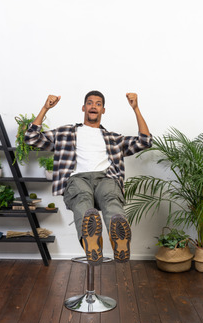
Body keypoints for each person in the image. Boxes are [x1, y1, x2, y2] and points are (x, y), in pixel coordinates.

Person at [24, 91, 152, 265]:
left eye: (98, 104)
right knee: (82, 200)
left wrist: (136, 108)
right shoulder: (65, 133)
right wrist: (45, 108)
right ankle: (91, 243)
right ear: (84, 108)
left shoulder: (114, 138)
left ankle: (119, 241)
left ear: (103, 110)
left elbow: (145, 141)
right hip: (77, 178)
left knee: (111, 198)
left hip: (106, 178)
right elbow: (31, 138)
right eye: (90, 103)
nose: (93, 106)